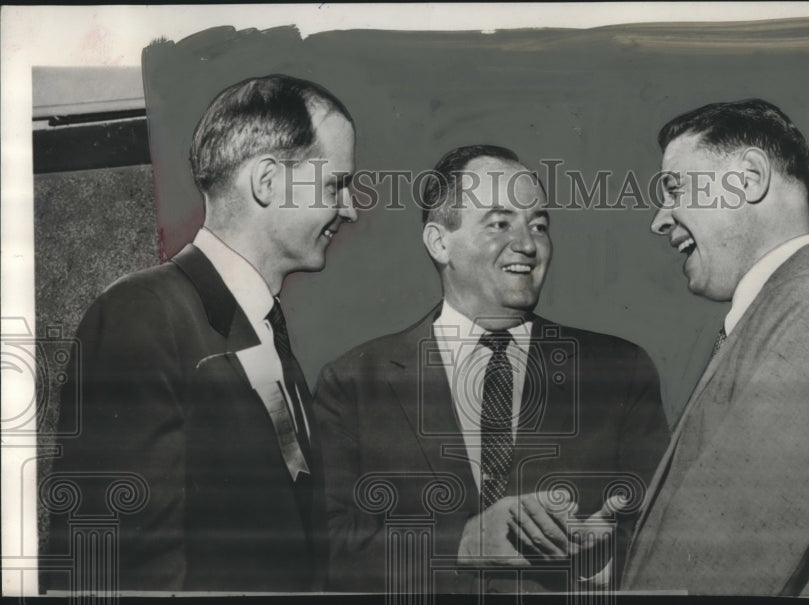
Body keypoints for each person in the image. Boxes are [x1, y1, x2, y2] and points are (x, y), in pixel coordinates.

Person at [46, 74, 357, 592]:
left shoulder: (262, 328)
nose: (350, 208)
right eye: (335, 185)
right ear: (267, 182)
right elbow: (116, 569)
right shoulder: (141, 315)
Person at [314, 144, 669, 594]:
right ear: (439, 242)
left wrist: (602, 560)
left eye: (538, 226)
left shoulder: (620, 372)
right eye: (500, 223)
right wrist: (464, 543)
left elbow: (664, 531)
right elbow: (329, 548)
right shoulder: (353, 383)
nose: (528, 245)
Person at [623, 99, 809, 596]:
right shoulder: (790, 309)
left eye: (675, 190)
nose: (659, 220)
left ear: (749, 178)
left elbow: (720, 572)